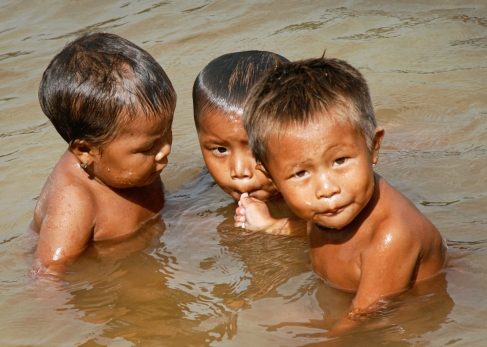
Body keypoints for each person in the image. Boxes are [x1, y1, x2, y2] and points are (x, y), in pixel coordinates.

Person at [236, 55, 447, 316]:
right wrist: (273, 226)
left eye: (340, 160)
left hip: (408, 322)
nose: (326, 188)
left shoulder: (391, 237)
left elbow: (366, 318)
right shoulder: (331, 207)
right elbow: (323, 230)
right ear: (270, 176)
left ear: (374, 147)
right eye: (301, 173)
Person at [30, 32, 176, 276]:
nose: (165, 150)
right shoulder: (75, 202)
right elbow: (47, 274)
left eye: (167, 130)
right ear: (86, 151)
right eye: (148, 147)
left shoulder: (137, 165)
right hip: (108, 283)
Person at [192, 51, 306, 236]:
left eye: (255, 149)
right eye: (220, 150)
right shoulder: (207, 180)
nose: (239, 171)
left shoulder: (317, 184)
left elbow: (347, 227)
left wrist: (273, 226)